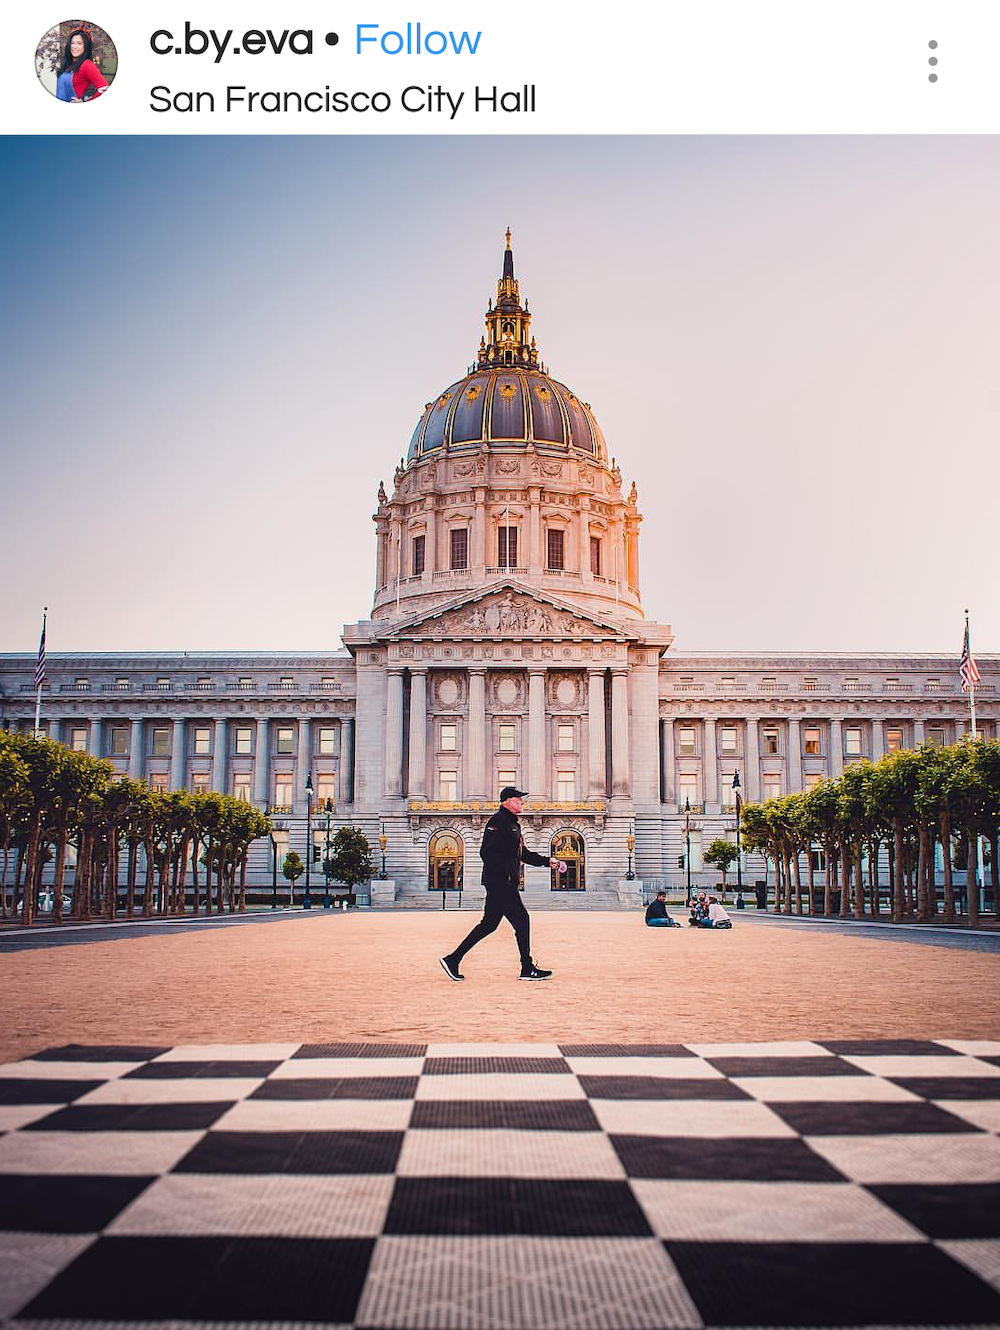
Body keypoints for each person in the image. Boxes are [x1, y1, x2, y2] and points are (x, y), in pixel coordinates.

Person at [440, 786, 566, 981]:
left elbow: (522, 853)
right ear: (507, 801)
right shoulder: (498, 821)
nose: (522, 802)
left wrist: (547, 861)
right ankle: (527, 968)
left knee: (488, 925)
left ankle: (453, 959)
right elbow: (487, 852)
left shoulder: (512, 823)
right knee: (522, 920)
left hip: (500, 882)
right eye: (519, 799)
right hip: (501, 883)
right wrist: (505, 876)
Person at [56, 29, 109, 103]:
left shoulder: (87, 65)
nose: (75, 46)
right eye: (72, 43)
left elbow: (104, 88)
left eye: (79, 43)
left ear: (85, 46)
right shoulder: (68, 64)